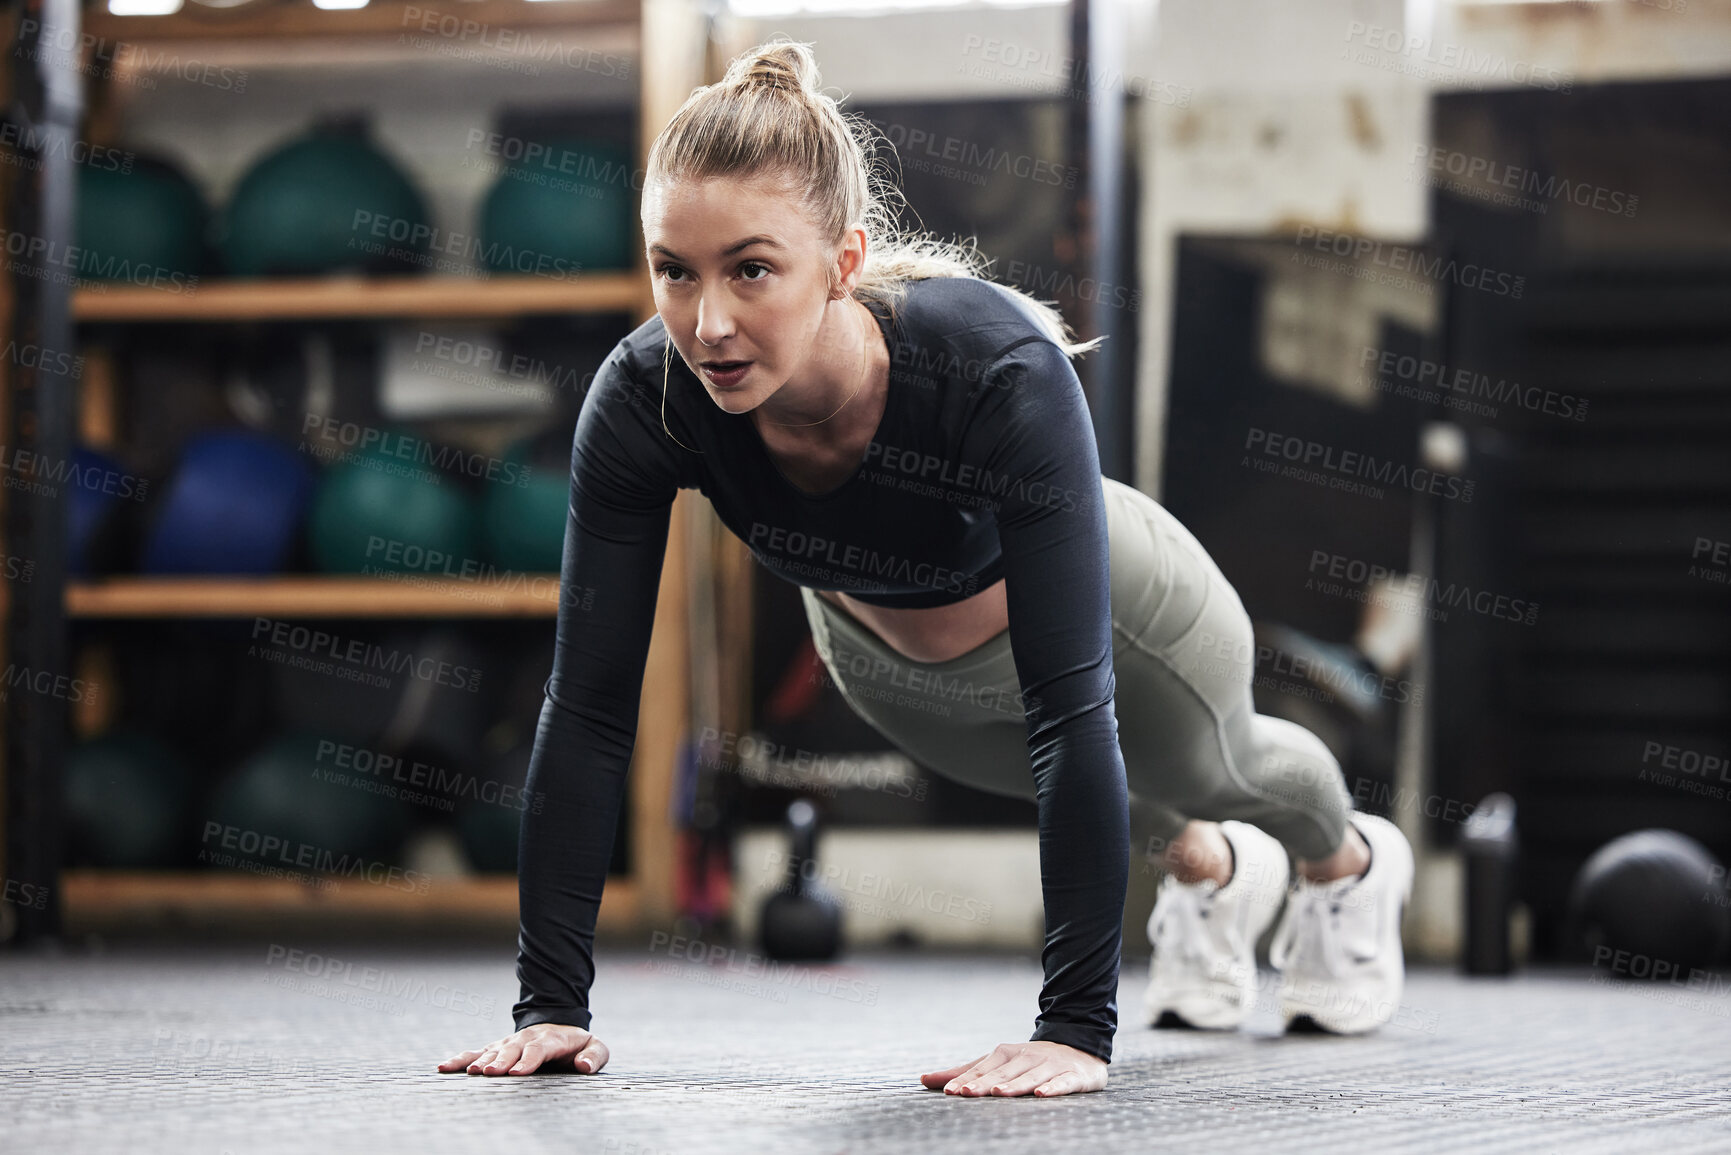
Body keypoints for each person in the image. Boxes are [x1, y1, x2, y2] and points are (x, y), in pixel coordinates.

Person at [440, 36, 1413, 1099]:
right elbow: (586, 710)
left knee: (1218, 773)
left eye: (752, 269)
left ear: (844, 262)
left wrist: (1076, 1031)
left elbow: (1071, 702)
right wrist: (549, 1008)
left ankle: (1343, 868)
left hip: (1125, 611)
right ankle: (1219, 877)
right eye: (675, 271)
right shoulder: (647, 399)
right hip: (887, 658)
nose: (708, 322)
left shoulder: (991, 366)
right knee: (1132, 809)